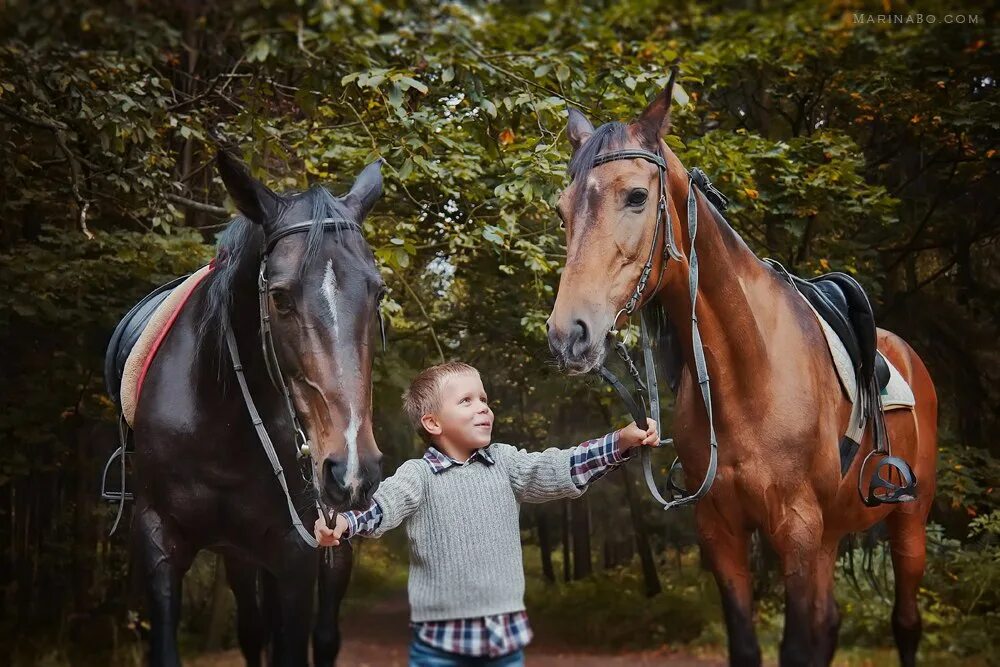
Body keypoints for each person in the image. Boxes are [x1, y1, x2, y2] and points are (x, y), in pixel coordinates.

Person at [315, 361, 658, 667]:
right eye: (466, 401)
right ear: (433, 422)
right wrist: (344, 523)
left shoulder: (506, 464)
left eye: (484, 399)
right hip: (440, 646)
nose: (483, 409)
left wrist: (619, 442)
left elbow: (558, 466)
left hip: (505, 641)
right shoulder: (418, 475)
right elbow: (381, 506)